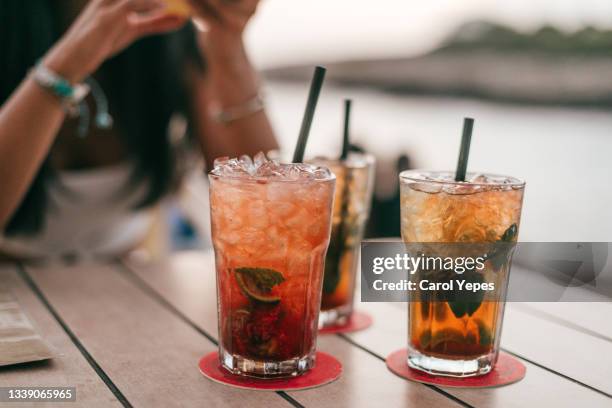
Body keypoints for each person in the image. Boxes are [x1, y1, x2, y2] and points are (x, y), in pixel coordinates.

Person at [0, 0, 278, 258]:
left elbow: (266, 209)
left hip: (125, 292)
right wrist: (68, 63)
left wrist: (227, 43)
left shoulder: (170, 35)